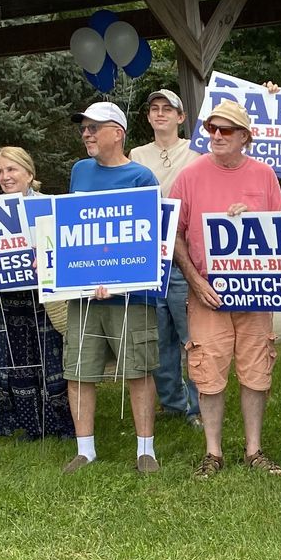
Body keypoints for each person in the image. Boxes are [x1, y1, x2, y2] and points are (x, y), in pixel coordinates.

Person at [171, 99, 281, 479]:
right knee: (208, 371)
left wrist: (255, 221)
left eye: (225, 131)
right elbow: (174, 235)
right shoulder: (189, 176)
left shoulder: (264, 175)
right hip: (207, 292)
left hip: (255, 292)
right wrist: (195, 280)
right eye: (211, 130)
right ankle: (213, 452)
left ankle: (254, 450)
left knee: (256, 370)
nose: (216, 136)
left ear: (244, 138)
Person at [62, 102, 160, 474]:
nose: (86, 133)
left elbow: (147, 238)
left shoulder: (141, 177)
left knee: (138, 369)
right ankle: (85, 450)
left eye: (94, 127)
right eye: (83, 128)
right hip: (84, 293)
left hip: (132, 296)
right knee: (79, 370)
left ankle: (145, 450)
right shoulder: (79, 171)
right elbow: (73, 228)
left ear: (117, 133)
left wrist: (117, 279)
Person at [0, 147, 74, 441]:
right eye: (0, 171)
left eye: (11, 169)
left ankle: (63, 423)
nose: (4, 176)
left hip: (45, 296)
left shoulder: (50, 205)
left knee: (53, 359)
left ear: (29, 173)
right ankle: (31, 425)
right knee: (18, 360)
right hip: (9, 300)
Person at [130, 88, 201, 427]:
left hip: (185, 255)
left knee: (192, 336)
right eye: (154, 109)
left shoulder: (196, 151)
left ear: (180, 117)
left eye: (167, 109)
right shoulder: (136, 155)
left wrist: (269, 96)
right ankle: (173, 404)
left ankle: (198, 406)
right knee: (159, 339)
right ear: (148, 117)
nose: (160, 114)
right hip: (149, 258)